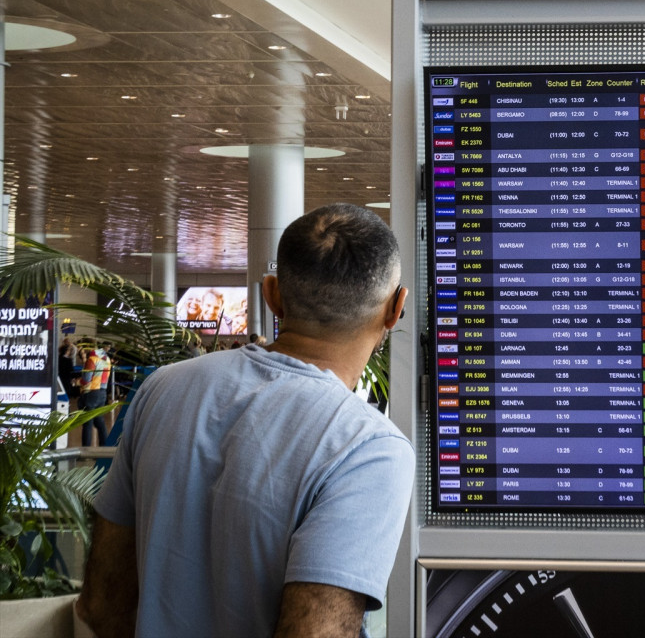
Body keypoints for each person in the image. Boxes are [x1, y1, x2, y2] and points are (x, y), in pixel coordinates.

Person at [77, 203, 416, 638]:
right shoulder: (368, 448)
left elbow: (101, 604)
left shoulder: (162, 389)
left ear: (271, 294)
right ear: (395, 308)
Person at [78, 341, 113, 446]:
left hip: (91, 392)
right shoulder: (106, 359)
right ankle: (104, 447)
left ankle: (86, 450)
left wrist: (78, 381)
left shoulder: (92, 360)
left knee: (87, 423)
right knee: (99, 421)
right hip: (102, 393)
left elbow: (87, 379)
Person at [56, 336, 80, 405]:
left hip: (60, 378)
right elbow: (71, 370)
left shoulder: (57, 359)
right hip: (67, 379)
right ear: (67, 351)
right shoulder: (68, 360)